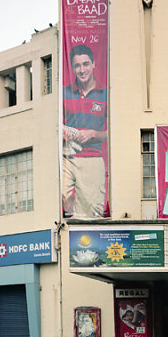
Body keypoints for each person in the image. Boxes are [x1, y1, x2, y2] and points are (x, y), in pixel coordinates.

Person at [62, 44, 108, 218]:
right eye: (77, 65)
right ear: (73, 68)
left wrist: (94, 134)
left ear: (93, 64)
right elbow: (53, 124)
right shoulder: (64, 92)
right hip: (67, 157)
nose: (82, 70)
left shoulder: (105, 93)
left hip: (92, 159)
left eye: (85, 64)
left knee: (91, 214)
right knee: (61, 207)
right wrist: (62, 132)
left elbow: (114, 132)